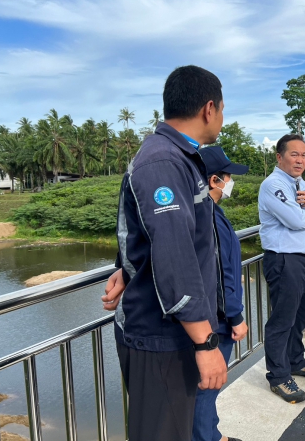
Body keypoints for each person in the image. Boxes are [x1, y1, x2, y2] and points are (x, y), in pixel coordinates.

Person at [104, 65, 227, 441]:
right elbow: (175, 258)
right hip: (160, 336)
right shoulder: (164, 162)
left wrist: (127, 268)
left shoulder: (176, 156)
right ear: (209, 108)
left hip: (172, 333)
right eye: (222, 109)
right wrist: (206, 342)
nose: (221, 118)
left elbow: (149, 231)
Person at [103, 146, 248, 441]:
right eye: (228, 177)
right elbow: (222, 274)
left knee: (203, 395)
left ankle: (213, 434)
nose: (231, 183)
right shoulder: (207, 217)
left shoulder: (207, 212)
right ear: (213, 180)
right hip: (213, 322)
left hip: (205, 318)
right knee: (203, 393)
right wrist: (235, 316)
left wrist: (127, 270)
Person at [258, 134, 305, 403]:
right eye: (294, 154)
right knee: (282, 320)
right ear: (280, 157)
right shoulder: (273, 184)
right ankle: (278, 376)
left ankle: (295, 360)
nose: (300, 160)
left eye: (304, 155)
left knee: (299, 318)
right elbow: (296, 221)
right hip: (285, 260)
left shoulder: (300, 183)